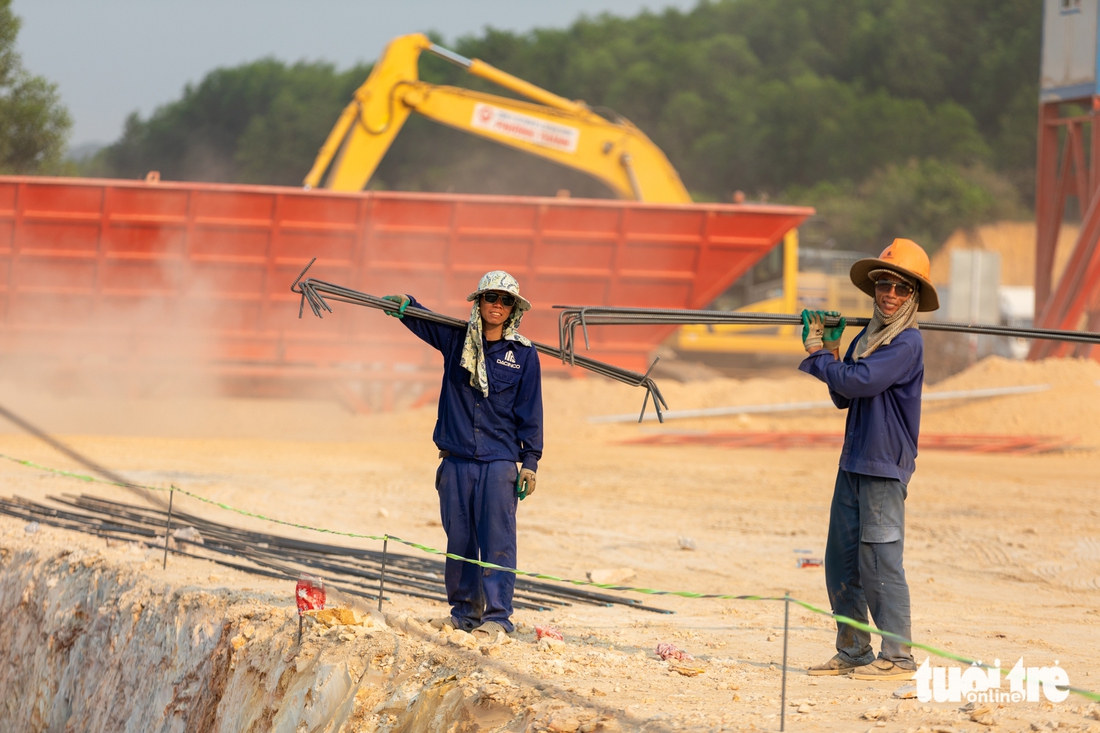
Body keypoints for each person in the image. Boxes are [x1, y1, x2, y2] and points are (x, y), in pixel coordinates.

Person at [798, 238, 940, 681]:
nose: (889, 294)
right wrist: (834, 352)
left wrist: (818, 354)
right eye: (883, 283)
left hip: (883, 465)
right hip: (854, 461)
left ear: (913, 296)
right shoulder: (869, 336)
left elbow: (861, 382)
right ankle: (854, 649)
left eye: (900, 287)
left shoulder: (907, 344)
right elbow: (844, 394)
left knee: (879, 561)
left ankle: (898, 657)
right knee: (841, 560)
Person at [382, 271, 542, 641]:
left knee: (497, 541)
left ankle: (498, 618)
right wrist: (405, 304)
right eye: (491, 299)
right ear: (479, 302)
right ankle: (465, 613)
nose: (497, 306)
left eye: (505, 301)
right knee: (460, 542)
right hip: (455, 461)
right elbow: (424, 319)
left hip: (499, 463)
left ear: (513, 308)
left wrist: (530, 463)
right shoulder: (456, 340)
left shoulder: (523, 355)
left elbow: (531, 412)